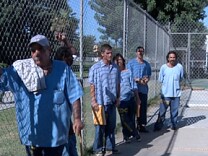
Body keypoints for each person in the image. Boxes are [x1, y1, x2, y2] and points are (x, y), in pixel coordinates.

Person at [0, 34, 84, 156]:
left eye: (41, 49)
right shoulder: (22, 71)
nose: (37, 53)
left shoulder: (62, 69)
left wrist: (77, 119)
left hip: (58, 138)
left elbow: (74, 95)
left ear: (49, 50)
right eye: (33, 50)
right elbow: (3, 77)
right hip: (34, 139)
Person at [88, 44, 120, 155]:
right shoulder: (95, 68)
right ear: (102, 54)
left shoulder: (115, 67)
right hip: (100, 102)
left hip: (111, 102)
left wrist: (118, 97)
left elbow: (118, 84)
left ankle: (110, 147)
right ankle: (97, 149)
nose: (110, 55)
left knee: (111, 126)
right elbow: (92, 85)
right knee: (100, 127)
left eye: (111, 52)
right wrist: (93, 100)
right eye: (107, 53)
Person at [54, 33, 79, 156]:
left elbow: (74, 52)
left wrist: (65, 40)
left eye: (69, 58)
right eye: (65, 58)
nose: (69, 60)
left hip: (67, 122)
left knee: (72, 148)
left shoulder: (68, 70)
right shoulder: (53, 72)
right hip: (56, 125)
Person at [113, 53, 141, 143]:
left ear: (123, 61)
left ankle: (128, 135)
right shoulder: (113, 73)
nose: (118, 61)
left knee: (131, 118)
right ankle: (134, 134)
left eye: (120, 59)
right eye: (116, 60)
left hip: (130, 98)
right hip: (121, 100)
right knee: (124, 119)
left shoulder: (128, 72)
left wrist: (137, 97)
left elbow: (133, 85)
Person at [154, 51, 184, 131]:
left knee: (174, 111)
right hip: (166, 95)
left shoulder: (179, 67)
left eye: (174, 57)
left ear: (176, 58)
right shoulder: (164, 67)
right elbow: (161, 79)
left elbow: (181, 78)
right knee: (162, 111)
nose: (172, 59)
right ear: (168, 58)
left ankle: (173, 124)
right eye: (170, 57)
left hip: (176, 95)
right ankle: (158, 125)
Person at [127, 46, 152, 133]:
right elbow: (128, 76)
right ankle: (132, 128)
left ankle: (141, 125)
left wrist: (146, 80)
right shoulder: (131, 63)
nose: (140, 53)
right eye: (138, 51)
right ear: (136, 52)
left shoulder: (146, 64)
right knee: (133, 109)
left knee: (142, 108)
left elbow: (148, 75)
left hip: (143, 89)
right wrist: (137, 80)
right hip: (133, 90)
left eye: (142, 51)